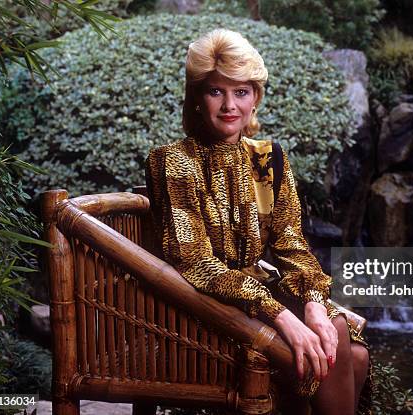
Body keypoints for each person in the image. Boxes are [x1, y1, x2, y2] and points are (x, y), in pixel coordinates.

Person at [145, 28, 371, 415]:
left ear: (255, 99)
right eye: (216, 91)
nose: (229, 104)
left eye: (241, 92)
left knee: (343, 343)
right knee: (335, 347)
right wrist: (281, 315)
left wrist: (314, 303)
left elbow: (292, 244)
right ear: (197, 98)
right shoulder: (173, 162)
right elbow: (198, 266)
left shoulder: (269, 160)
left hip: (257, 297)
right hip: (202, 307)